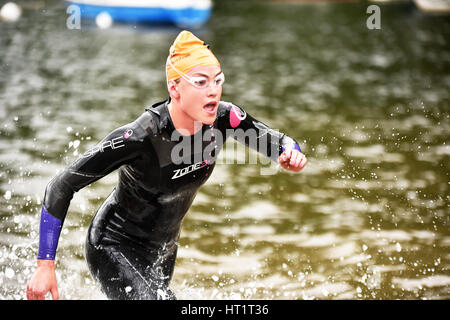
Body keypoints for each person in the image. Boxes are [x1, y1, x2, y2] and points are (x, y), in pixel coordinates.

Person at [26, 30, 308, 300]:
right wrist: (45, 265)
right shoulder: (140, 137)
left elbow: (279, 142)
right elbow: (62, 184)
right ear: (174, 87)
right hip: (113, 245)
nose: (213, 91)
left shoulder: (225, 119)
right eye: (200, 82)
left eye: (218, 80)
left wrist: (289, 154)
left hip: (163, 250)